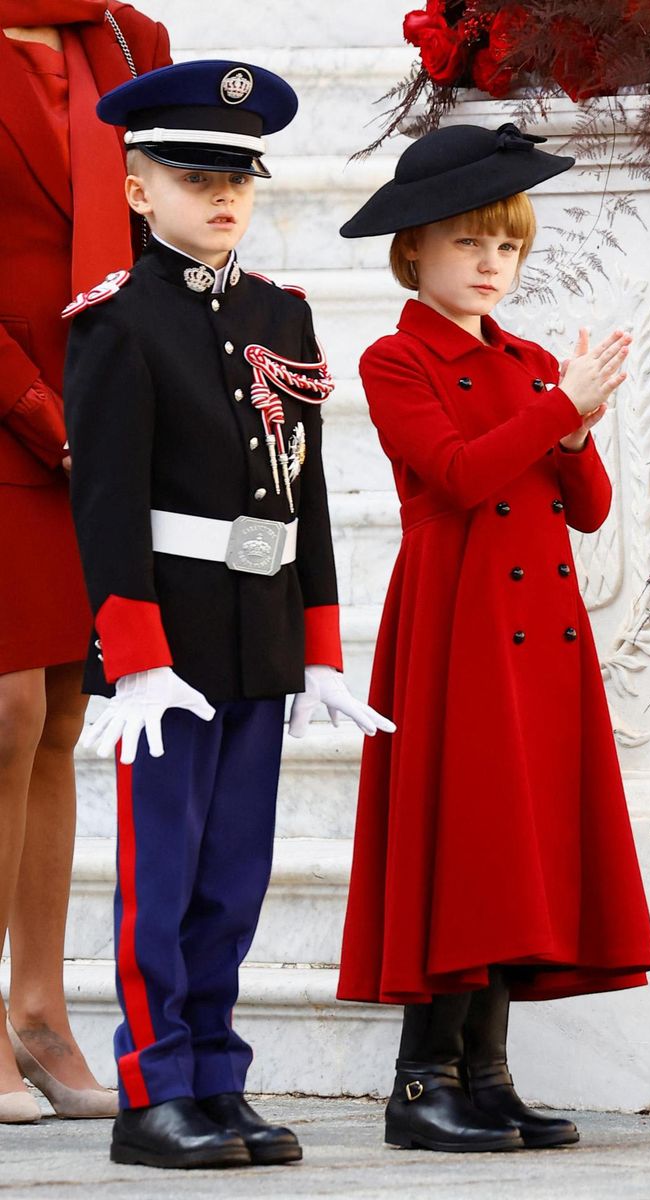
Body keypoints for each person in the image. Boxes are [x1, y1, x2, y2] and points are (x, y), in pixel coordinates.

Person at [63, 59, 394, 1170]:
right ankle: (154, 1091)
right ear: (136, 188)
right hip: (173, 645)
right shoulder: (119, 321)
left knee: (235, 875)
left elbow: (303, 496)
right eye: (194, 174)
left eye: (239, 179)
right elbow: (106, 504)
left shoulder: (281, 314)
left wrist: (320, 647)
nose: (222, 197)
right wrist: (136, 657)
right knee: (163, 875)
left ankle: (217, 1077)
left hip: (258, 634)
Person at [336, 123, 650, 1154]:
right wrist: (559, 407)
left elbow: (591, 506)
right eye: (469, 243)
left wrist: (572, 427)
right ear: (414, 252)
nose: (490, 264)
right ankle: (420, 1079)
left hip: (540, 638)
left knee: (520, 844)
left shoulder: (525, 358)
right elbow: (461, 476)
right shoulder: (395, 358)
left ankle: (487, 1074)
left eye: (507, 247)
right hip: (458, 620)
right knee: (462, 833)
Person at [0, 1, 170, 1125]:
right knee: (6, 708)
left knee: (63, 710)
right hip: (8, 405)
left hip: (100, 415)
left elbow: (170, 228)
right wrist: (40, 410)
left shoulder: (129, 41)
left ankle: (40, 1008)